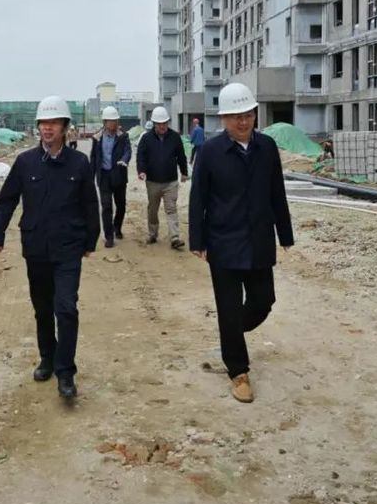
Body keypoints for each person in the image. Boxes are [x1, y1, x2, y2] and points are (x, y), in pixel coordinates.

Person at [188, 83, 293, 404]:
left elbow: (277, 192)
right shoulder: (210, 152)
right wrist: (197, 240)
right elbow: (198, 197)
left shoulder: (267, 147)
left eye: (247, 114)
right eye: (236, 116)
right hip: (223, 242)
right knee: (229, 307)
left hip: (259, 239)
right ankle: (238, 371)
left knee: (264, 301)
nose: (243, 121)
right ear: (224, 119)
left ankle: (230, 332)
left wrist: (285, 234)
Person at [0, 96, 100, 399]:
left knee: (66, 308)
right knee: (42, 309)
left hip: (68, 247)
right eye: (43, 123)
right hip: (36, 247)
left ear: (65, 127)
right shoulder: (26, 162)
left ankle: (66, 372)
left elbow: (90, 203)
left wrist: (90, 239)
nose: (47, 128)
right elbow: (7, 199)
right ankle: (47, 359)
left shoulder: (78, 163)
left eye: (53, 123)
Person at [137, 106, 188, 250]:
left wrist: (184, 172)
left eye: (165, 123)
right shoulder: (146, 139)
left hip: (170, 181)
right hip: (152, 181)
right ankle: (153, 234)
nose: (162, 126)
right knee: (153, 209)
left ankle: (175, 237)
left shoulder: (175, 137)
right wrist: (141, 171)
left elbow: (181, 156)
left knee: (171, 209)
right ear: (154, 124)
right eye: (159, 124)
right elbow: (141, 156)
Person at [89, 106, 131, 248]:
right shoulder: (97, 138)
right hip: (104, 177)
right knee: (106, 206)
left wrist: (124, 160)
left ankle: (117, 227)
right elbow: (94, 157)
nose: (114, 124)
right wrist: (90, 176)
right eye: (111, 121)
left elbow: (128, 151)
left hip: (118, 175)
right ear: (105, 122)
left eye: (115, 121)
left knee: (121, 205)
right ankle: (109, 236)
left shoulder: (123, 136)